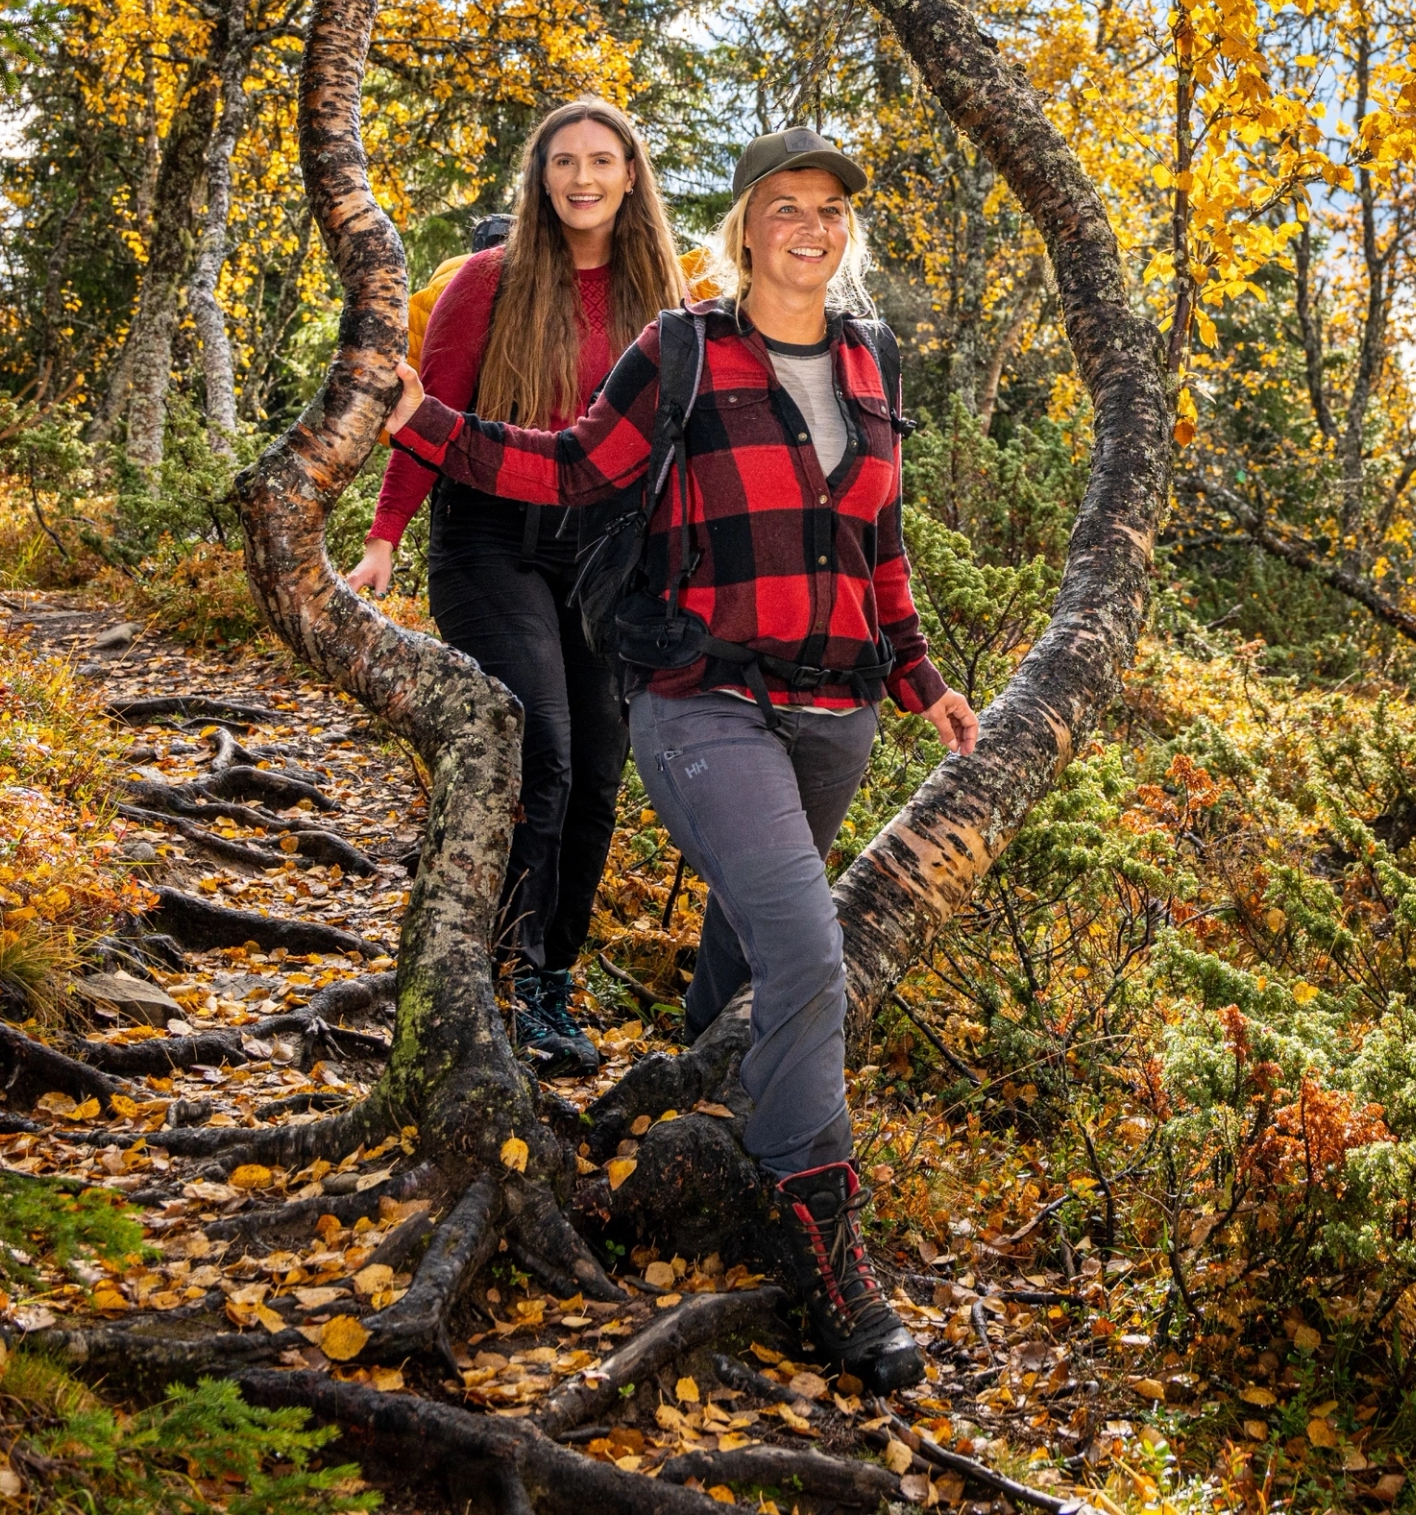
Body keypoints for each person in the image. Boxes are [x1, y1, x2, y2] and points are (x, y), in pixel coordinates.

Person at [381, 125, 977, 1393]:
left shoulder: (869, 363)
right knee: (808, 943)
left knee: (752, 942)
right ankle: (823, 1236)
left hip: (839, 708)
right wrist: (430, 425)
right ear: (744, 225)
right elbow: (569, 466)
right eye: (784, 208)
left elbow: (882, 545)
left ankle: (695, 1114)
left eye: (829, 211)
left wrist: (921, 680)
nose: (809, 230)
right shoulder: (685, 348)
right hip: (700, 697)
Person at [346, 99, 682, 1077]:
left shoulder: (657, 297)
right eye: (563, 162)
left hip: (602, 557)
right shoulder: (491, 281)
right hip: (490, 538)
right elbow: (427, 413)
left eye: (601, 161)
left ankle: (546, 984)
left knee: (598, 780)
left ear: (630, 177)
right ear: (541, 179)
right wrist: (384, 536)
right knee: (544, 747)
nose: (582, 178)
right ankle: (498, 977)